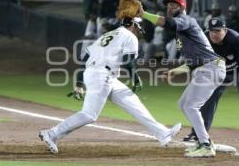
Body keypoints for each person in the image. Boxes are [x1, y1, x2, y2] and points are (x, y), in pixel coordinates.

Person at [39, 17, 182, 154]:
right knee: (89, 114)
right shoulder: (130, 36)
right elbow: (127, 61)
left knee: (132, 101)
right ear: (133, 24)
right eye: (138, 25)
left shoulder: (108, 35)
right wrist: (135, 77)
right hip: (102, 76)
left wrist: (79, 83)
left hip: (100, 74)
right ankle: (52, 133)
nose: (140, 28)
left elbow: (85, 59)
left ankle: (163, 133)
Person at [139, 0, 226, 158]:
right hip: (206, 68)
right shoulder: (182, 34)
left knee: (191, 106)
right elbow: (194, 62)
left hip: (211, 68)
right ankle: (205, 141)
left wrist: (144, 14)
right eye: (168, 5)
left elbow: (169, 23)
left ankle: (206, 145)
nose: (170, 7)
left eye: (174, 5)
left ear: (183, 7)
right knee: (184, 104)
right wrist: (174, 71)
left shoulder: (186, 20)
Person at [183, 17, 239, 144]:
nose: (214, 34)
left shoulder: (234, 38)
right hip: (218, 71)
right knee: (207, 97)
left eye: (217, 31)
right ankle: (198, 134)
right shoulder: (204, 39)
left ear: (225, 30)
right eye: (211, 31)